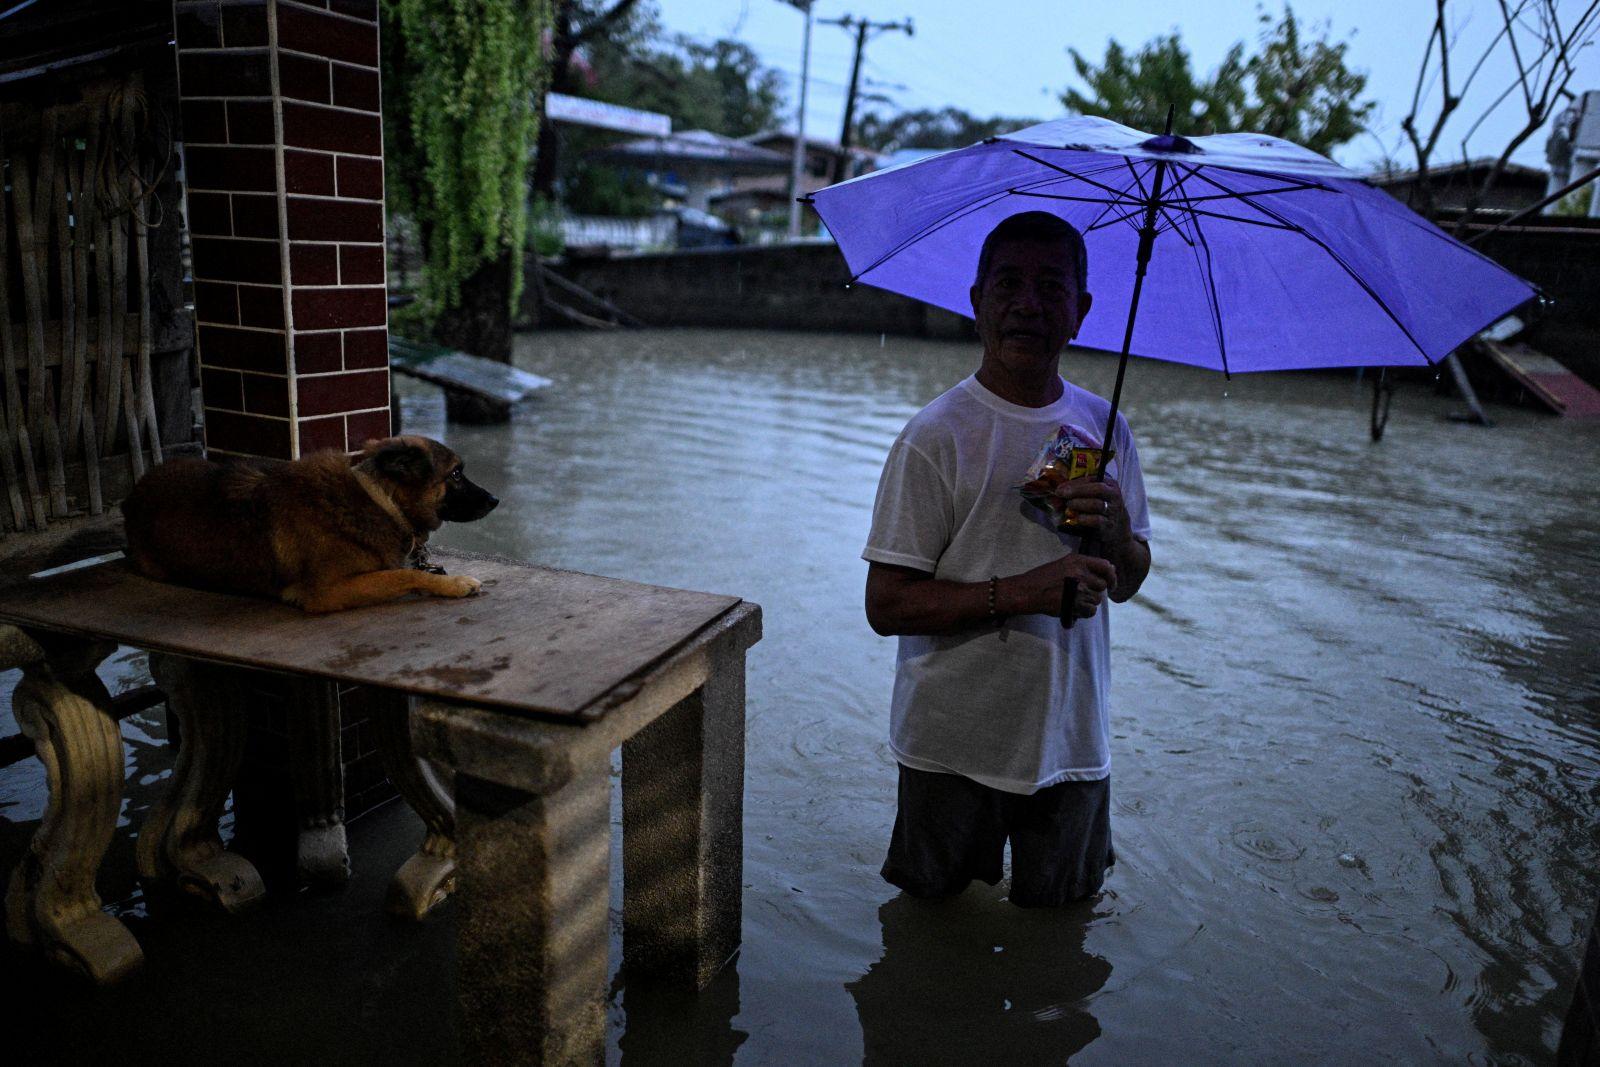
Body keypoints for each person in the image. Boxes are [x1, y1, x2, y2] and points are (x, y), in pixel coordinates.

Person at [861, 210, 1152, 907]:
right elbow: (886, 605)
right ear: (976, 301)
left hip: (1072, 738)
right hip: (951, 741)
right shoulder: (935, 436)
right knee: (927, 937)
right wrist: (1027, 590)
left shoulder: (1107, 429)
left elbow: (1132, 579)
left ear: (1080, 311)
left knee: (1063, 941)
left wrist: (1112, 533)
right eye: (1009, 284)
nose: (1028, 304)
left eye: (1052, 287)